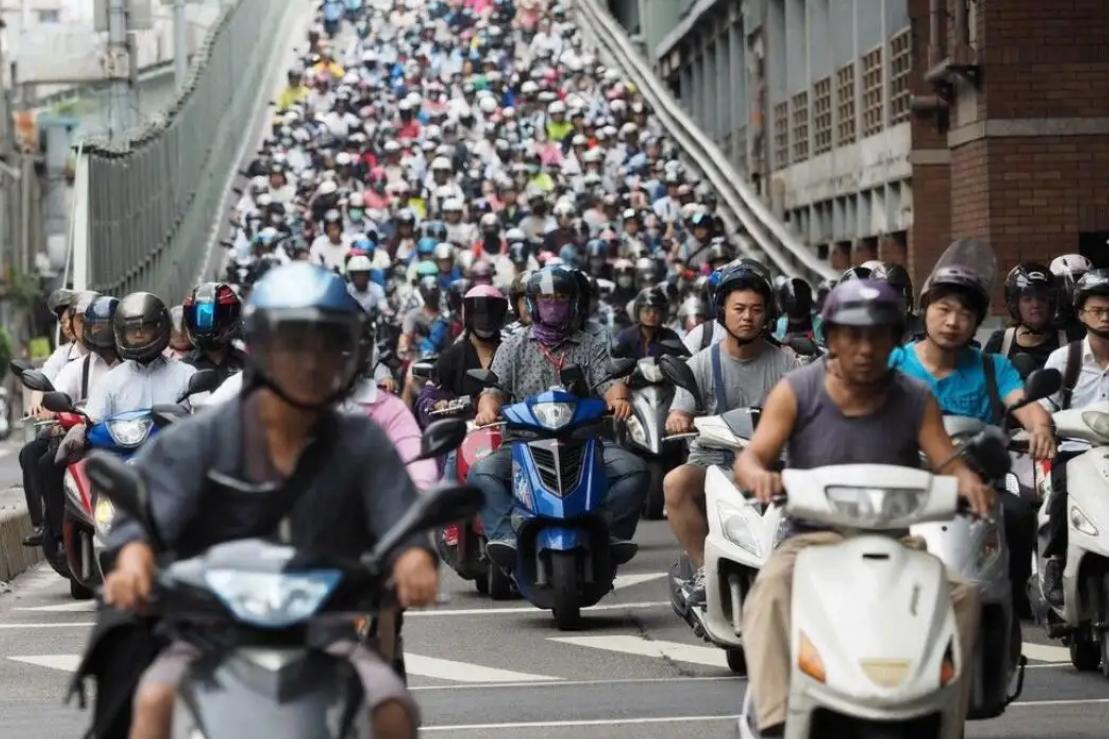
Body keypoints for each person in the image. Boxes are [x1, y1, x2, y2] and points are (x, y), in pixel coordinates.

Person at [101, 264, 435, 739]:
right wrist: (134, 559)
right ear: (261, 348)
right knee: (154, 700)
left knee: (391, 709)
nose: (311, 361)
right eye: (294, 343)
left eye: (326, 342)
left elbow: (398, 510)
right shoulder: (201, 439)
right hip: (211, 632)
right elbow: (146, 509)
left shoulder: (362, 441)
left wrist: (414, 556)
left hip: (323, 634)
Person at [735, 279, 993, 736]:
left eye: (877, 335)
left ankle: (945, 720)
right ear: (830, 338)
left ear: (896, 340)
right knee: (771, 588)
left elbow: (948, 461)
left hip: (895, 540)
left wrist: (970, 484)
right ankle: (774, 719)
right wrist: (758, 474)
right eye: (852, 335)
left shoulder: (915, 397)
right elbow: (753, 457)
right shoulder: (797, 390)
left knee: (963, 596)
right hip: (812, 541)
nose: (864, 347)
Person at [888, 259, 1056, 614]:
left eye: (964, 313)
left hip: (978, 488)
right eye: (943, 309)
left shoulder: (994, 368)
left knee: (1017, 515)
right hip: (907, 486)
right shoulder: (894, 364)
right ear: (924, 309)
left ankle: (1008, 609)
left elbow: (1025, 404)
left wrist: (1040, 426)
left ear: (977, 321)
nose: (952, 321)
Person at [469, 267, 647, 561]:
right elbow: (493, 390)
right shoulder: (512, 346)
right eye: (546, 298)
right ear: (532, 304)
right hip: (522, 443)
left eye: (561, 297)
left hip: (584, 442)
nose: (554, 305)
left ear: (574, 303)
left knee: (635, 470)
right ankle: (505, 538)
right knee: (482, 473)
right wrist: (487, 409)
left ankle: (608, 534)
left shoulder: (591, 346)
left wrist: (618, 400)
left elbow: (610, 385)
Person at [662, 262, 799, 602]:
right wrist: (678, 418)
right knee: (675, 483)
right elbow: (679, 409)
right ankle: (704, 571)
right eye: (738, 309)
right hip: (714, 462)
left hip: (772, 464)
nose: (747, 317)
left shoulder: (786, 363)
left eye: (756, 309)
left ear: (768, 313)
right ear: (721, 310)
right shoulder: (702, 363)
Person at [1039, 268, 1109, 606]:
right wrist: (1042, 433)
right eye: (1097, 310)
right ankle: (1056, 560)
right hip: (1075, 453)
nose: (1106, 317)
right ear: (1081, 313)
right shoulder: (1063, 359)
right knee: (1062, 489)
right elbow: (1041, 411)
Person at [84, 292, 197, 423]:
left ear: (159, 328)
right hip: (123, 443)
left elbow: (205, 415)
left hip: (176, 442)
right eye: (131, 329)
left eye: (145, 328)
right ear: (122, 333)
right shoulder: (110, 381)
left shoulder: (186, 375)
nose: (138, 334)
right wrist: (80, 429)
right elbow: (93, 421)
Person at [984, 263, 1067, 371]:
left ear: (1050, 303)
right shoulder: (1000, 341)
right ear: (1016, 304)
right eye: (1027, 299)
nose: (1036, 305)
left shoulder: (1067, 341)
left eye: (1042, 299)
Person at [181, 283, 246, 387]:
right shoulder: (181, 368)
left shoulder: (248, 364)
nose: (208, 326)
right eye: (202, 317)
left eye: (221, 317)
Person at [611, 287, 683, 360]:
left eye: (656, 311)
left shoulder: (671, 337)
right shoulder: (626, 336)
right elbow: (612, 361)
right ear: (638, 312)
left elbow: (683, 362)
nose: (651, 315)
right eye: (646, 311)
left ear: (663, 314)